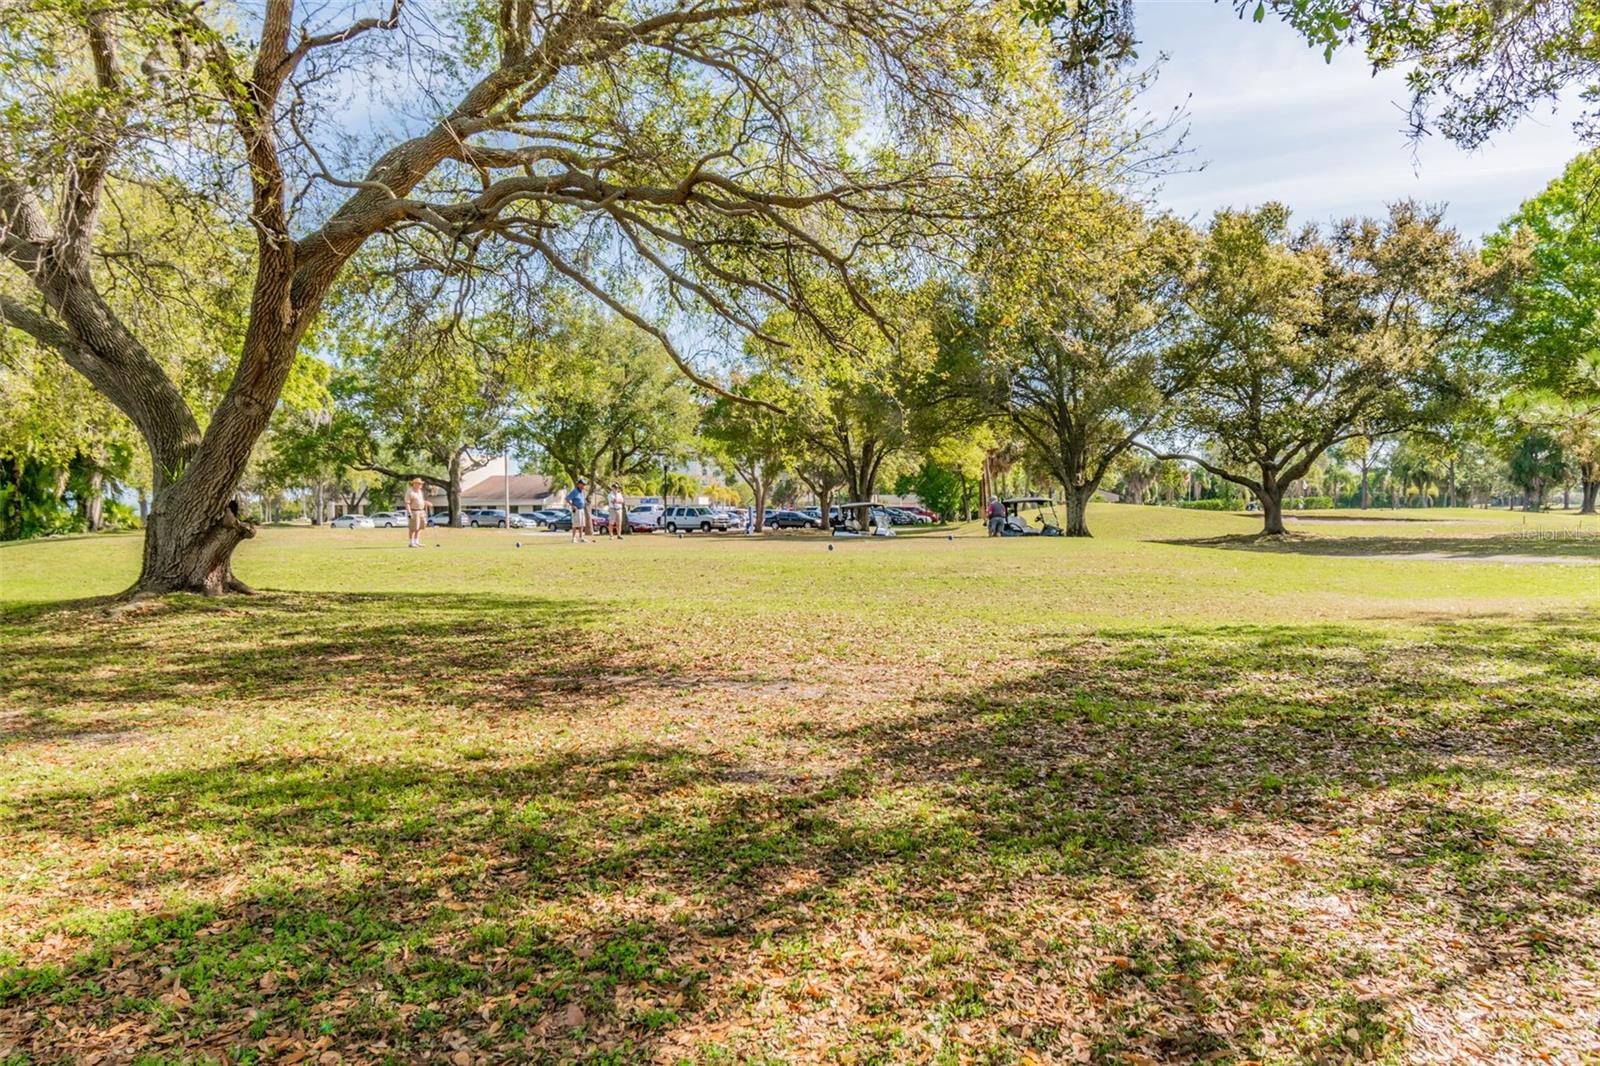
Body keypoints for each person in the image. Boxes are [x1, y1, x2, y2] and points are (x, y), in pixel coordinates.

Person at [405, 478, 429, 547]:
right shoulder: (410, 491)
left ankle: (417, 541)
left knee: (420, 527)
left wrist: (426, 503)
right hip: (414, 511)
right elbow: (407, 503)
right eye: (419, 483)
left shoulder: (420, 491)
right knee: (413, 528)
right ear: (414, 484)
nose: (421, 485)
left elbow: (420, 501)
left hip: (421, 511)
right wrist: (409, 512)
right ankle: (411, 542)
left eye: (421, 483)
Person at [566, 478, 589, 543]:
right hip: (576, 510)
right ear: (578, 484)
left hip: (581, 509)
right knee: (575, 525)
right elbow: (567, 498)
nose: (584, 486)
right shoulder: (575, 491)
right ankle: (573, 538)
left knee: (581, 525)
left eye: (584, 485)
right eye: (582, 484)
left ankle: (581, 538)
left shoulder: (581, 491)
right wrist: (572, 505)